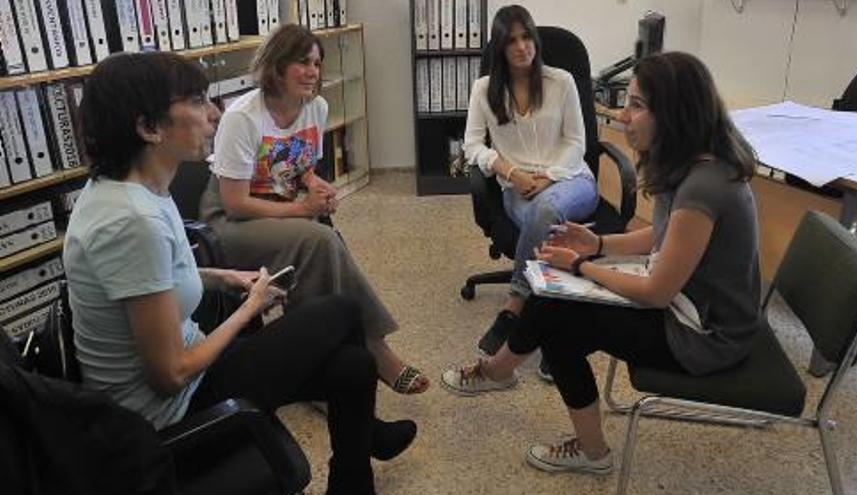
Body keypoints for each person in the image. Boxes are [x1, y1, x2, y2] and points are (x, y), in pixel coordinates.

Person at [64, 52, 415, 495]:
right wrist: (250, 306)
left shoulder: (141, 189)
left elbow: (159, 280)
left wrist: (224, 276)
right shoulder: (130, 221)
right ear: (148, 127)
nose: (214, 113)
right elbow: (170, 373)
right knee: (341, 311)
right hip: (170, 414)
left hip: (185, 385)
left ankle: (354, 478)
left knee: (353, 365)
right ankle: (367, 443)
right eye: (196, 101)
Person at [442, 51, 761, 475]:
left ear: (675, 114)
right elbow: (665, 234)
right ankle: (504, 373)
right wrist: (598, 244)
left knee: (559, 321)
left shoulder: (705, 184)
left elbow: (656, 292)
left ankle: (576, 439)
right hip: (688, 307)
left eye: (637, 105)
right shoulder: (691, 163)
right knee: (552, 298)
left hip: (705, 336)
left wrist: (582, 266)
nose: (623, 115)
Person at [199, 24, 428, 394]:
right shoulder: (243, 116)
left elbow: (300, 166)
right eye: (302, 62)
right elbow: (234, 203)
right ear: (276, 66)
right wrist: (303, 208)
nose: (312, 72)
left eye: (317, 64)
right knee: (318, 241)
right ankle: (372, 349)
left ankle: (323, 365)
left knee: (327, 244)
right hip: (230, 222)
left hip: (279, 204)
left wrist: (313, 185)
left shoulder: (316, 108)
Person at [462, 5, 598, 379]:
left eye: (527, 37)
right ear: (500, 49)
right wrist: (509, 170)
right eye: (512, 41)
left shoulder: (562, 82)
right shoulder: (484, 90)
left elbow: (576, 142)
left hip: (573, 181)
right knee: (550, 231)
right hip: (518, 189)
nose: (522, 47)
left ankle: (514, 308)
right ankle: (557, 339)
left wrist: (550, 178)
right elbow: (471, 146)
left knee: (545, 214)